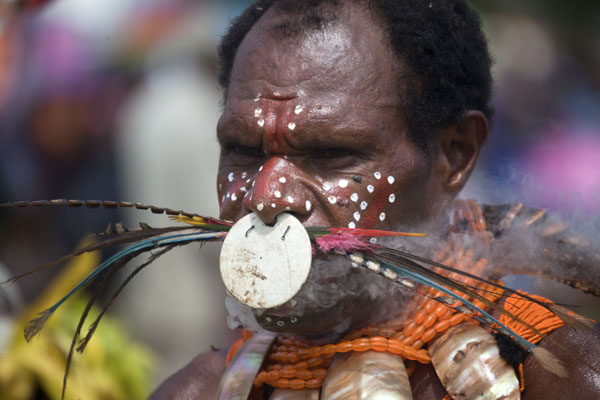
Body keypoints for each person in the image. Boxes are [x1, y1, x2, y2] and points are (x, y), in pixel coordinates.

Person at [151, 1, 600, 399]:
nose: (266, 197)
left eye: (331, 153)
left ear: (455, 153)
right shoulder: (197, 392)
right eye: (243, 150)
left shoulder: (567, 381)